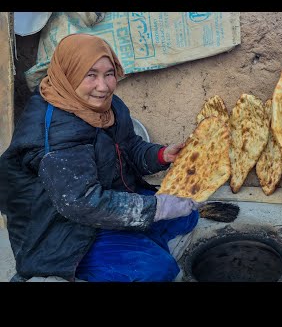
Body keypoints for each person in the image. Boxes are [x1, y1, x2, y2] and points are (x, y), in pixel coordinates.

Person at [0, 33, 200, 282]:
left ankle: (131, 246)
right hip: (62, 231)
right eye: (90, 75)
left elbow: (130, 147)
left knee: (187, 214)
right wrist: (153, 209)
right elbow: (81, 202)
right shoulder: (56, 131)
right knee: (158, 269)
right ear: (69, 74)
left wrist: (161, 155)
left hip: (103, 203)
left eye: (109, 73)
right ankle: (57, 272)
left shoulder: (108, 106)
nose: (103, 86)